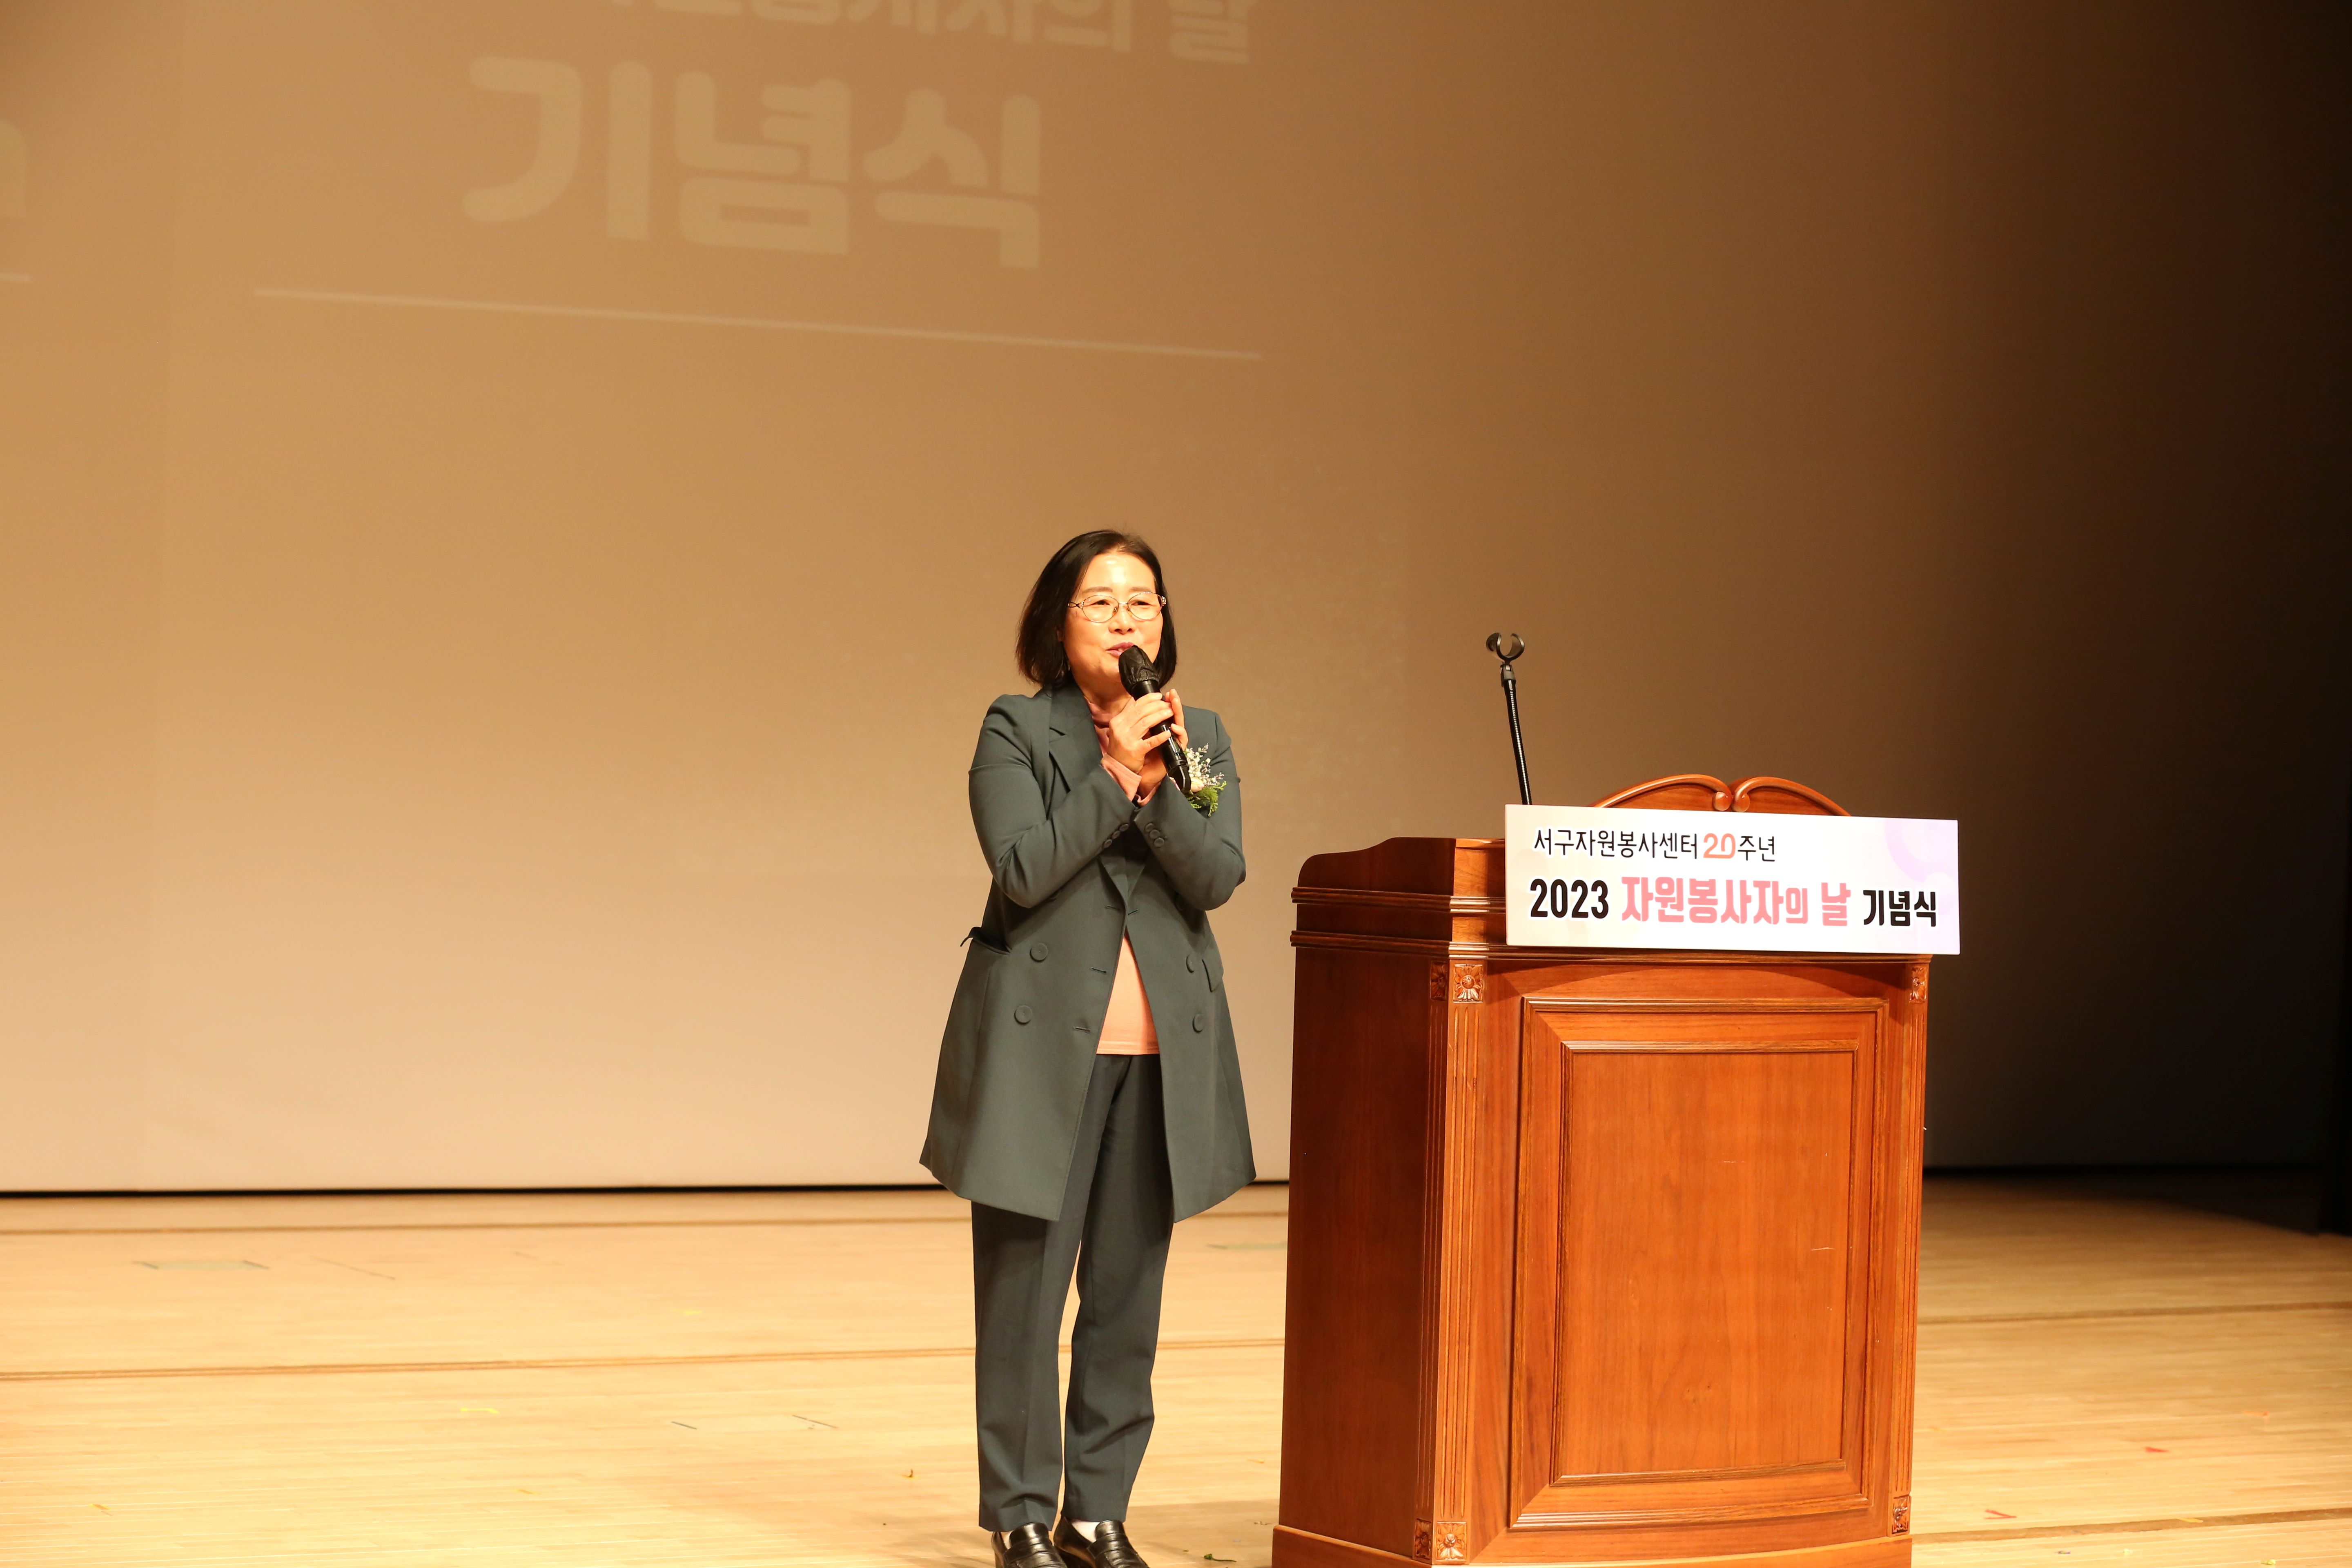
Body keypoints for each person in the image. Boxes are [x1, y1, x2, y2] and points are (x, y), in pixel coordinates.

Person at [922, 530, 1254, 1568]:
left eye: (1142, 601)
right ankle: (1021, 1514)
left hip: (1161, 1059)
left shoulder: (1200, 739)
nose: (1125, 620)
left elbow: (1217, 874)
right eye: (1101, 602)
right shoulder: (1016, 729)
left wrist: (1157, 783)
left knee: (1126, 1300)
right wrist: (1113, 772)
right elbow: (1024, 867)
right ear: (1056, 624)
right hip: (1039, 1064)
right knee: (1023, 1300)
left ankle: (1097, 1511)